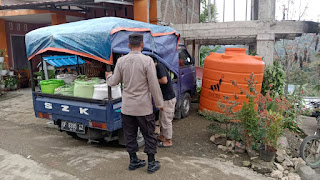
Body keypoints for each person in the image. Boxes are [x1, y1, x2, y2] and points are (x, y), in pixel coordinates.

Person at [105, 34, 164, 174]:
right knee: (149, 135)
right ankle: (151, 163)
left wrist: (108, 77)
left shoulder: (121, 61)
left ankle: (133, 161)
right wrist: (159, 103)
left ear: (128, 45)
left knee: (130, 135)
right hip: (143, 108)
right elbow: (153, 84)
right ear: (142, 45)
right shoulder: (147, 61)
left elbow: (113, 82)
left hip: (127, 108)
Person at [154, 59, 176, 147]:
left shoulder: (159, 66)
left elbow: (164, 80)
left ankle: (169, 140)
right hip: (165, 98)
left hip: (168, 98)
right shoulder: (158, 67)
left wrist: (153, 80)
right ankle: (162, 136)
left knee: (166, 120)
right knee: (162, 118)